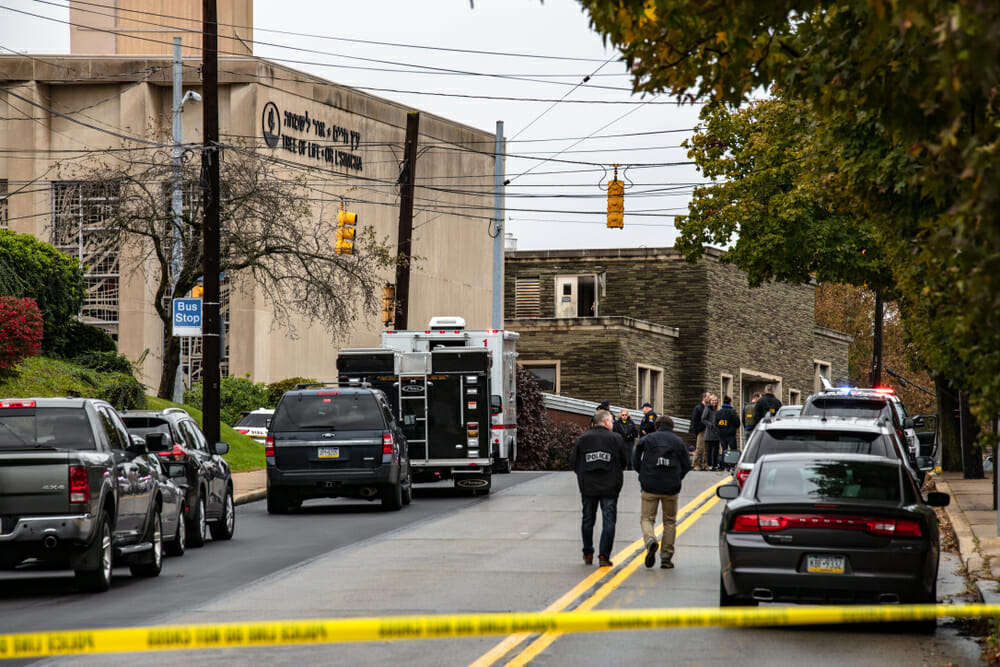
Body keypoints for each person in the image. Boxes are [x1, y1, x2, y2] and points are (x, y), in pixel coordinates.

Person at [569, 409, 628, 567]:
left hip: (588, 486)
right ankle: (604, 555)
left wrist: (583, 475)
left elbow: (574, 462)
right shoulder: (616, 439)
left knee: (588, 519)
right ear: (607, 421)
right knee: (609, 521)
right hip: (610, 486)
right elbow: (624, 461)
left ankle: (588, 552)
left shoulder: (583, 439)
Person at [633, 414, 692, 569]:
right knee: (670, 521)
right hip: (670, 487)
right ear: (672, 427)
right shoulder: (678, 442)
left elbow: (635, 458)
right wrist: (678, 477)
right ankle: (666, 556)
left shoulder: (648, 439)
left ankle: (650, 540)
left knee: (647, 519)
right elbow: (687, 464)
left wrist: (642, 473)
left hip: (650, 485)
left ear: (656, 426)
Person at [715, 395, 741, 471]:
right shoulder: (732, 412)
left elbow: (716, 423)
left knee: (724, 449)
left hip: (721, 433)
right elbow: (737, 422)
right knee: (733, 449)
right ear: (730, 403)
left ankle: (724, 465)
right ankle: (732, 465)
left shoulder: (719, 412)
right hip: (730, 433)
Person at [690, 392, 710, 471]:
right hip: (701, 430)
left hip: (708, 431)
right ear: (704, 398)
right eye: (708, 397)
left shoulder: (709, 408)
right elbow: (694, 420)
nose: (710, 398)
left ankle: (705, 464)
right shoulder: (698, 408)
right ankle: (695, 464)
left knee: (706, 448)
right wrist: (698, 430)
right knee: (700, 448)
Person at [702, 394, 721, 471]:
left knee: (716, 449)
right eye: (713, 400)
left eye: (715, 400)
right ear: (710, 401)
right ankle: (709, 465)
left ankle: (715, 465)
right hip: (710, 432)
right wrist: (711, 425)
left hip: (717, 432)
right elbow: (703, 419)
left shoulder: (718, 409)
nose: (714, 402)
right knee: (709, 449)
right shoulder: (707, 408)